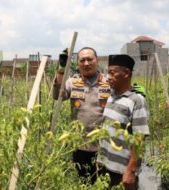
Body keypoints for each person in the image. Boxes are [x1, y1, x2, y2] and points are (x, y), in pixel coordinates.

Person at [53, 47, 111, 184]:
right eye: (82, 60)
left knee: (103, 182)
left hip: (104, 145)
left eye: (90, 59)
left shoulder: (108, 82)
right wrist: (61, 69)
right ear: (77, 63)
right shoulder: (73, 82)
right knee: (84, 182)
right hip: (80, 145)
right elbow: (57, 96)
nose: (86, 63)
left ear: (97, 61)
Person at [97, 54, 150, 190]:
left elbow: (140, 139)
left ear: (126, 73)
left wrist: (131, 171)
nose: (108, 77)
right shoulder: (111, 97)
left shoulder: (137, 101)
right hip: (106, 166)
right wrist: (100, 159)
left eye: (112, 73)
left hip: (122, 171)